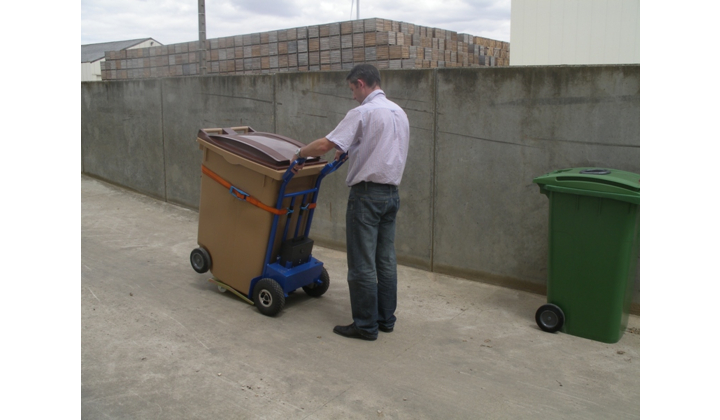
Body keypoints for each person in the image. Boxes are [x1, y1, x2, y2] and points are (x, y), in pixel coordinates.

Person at [292, 64, 410, 341]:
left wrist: (298, 154)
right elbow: (377, 147)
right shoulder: (399, 112)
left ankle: (365, 325)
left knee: (362, 264)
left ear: (360, 83)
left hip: (366, 196)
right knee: (385, 260)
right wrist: (350, 152)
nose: (353, 96)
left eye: (352, 90)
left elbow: (324, 145)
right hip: (391, 195)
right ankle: (385, 319)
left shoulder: (363, 112)